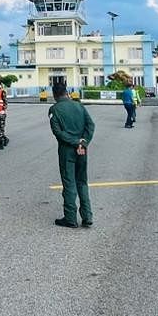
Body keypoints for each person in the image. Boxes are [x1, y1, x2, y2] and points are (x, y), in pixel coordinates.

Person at [49, 80, 94, 228]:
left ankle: (70, 218)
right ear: (67, 92)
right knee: (82, 181)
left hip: (67, 149)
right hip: (82, 148)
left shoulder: (54, 109)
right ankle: (87, 216)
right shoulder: (79, 105)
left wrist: (74, 142)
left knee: (69, 183)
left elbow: (57, 132)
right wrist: (83, 142)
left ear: (55, 95)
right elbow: (90, 125)